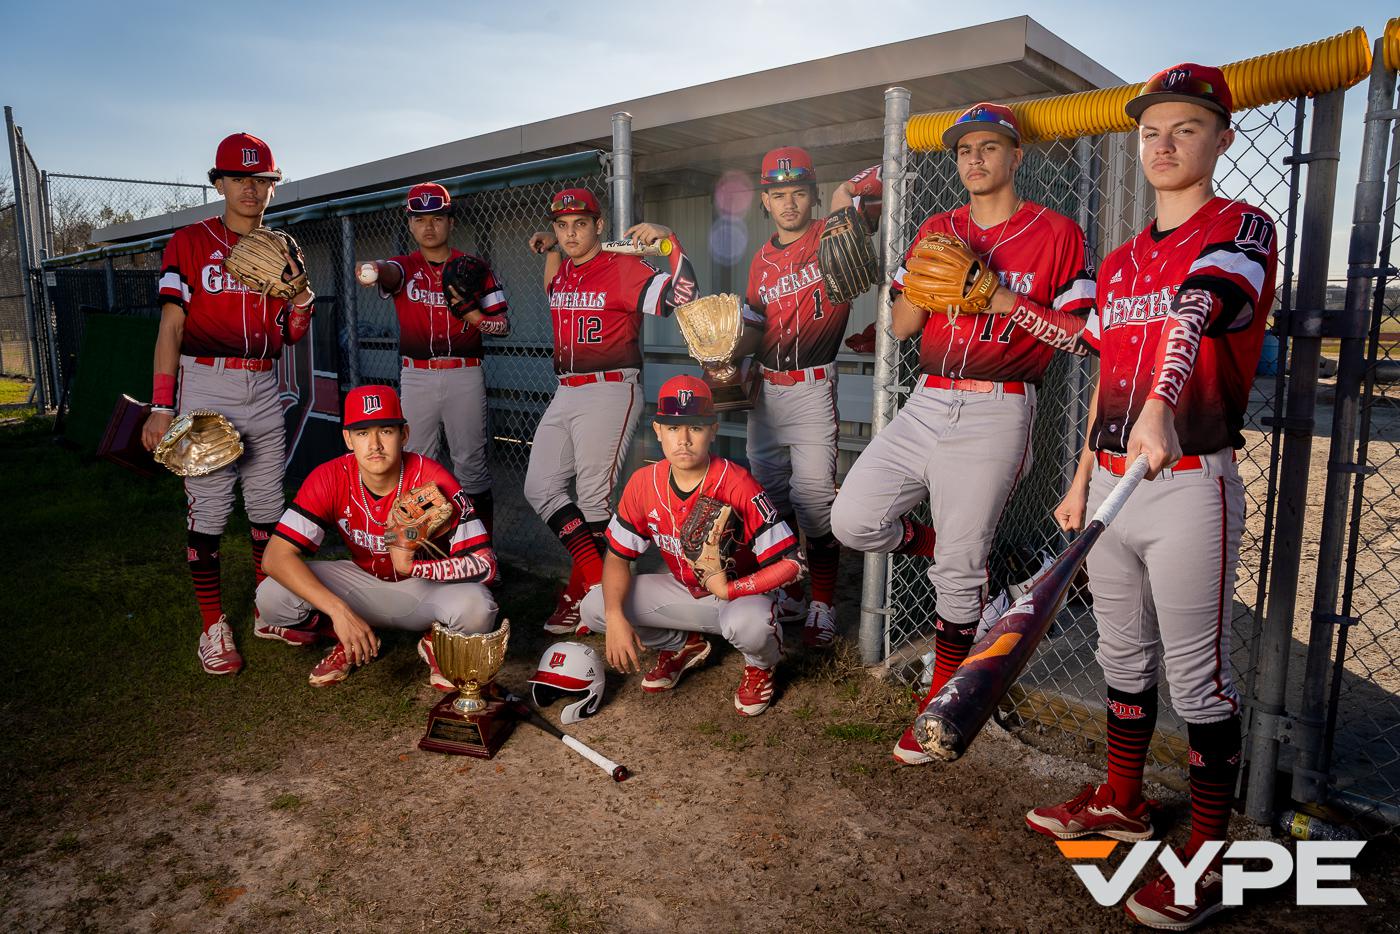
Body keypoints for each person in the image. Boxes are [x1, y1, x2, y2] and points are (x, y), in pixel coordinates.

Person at [1024, 65, 1277, 931]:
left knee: (1200, 685)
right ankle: (1125, 802)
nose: (1163, 145)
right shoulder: (1123, 257)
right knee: (1122, 663)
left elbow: (1195, 312)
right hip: (1108, 485)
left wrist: (1165, 401)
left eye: (1187, 129)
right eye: (1150, 132)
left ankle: (1207, 860)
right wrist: (1076, 475)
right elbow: (1094, 351)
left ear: (1222, 139)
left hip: (1186, 483)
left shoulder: (1241, 225)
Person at [828, 103, 1096, 764]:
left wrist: (997, 295)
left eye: (987, 148)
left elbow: (1080, 337)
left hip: (999, 408)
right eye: (963, 151)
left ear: (1015, 156)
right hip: (925, 401)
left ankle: (943, 699)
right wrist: (928, 276)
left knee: (955, 575)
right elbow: (900, 327)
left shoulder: (1056, 233)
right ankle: (966, 560)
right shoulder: (938, 228)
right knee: (853, 519)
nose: (972, 161)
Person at [140, 131, 316, 676]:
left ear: (271, 186)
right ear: (218, 182)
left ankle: (268, 608)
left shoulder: (283, 246)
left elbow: (289, 333)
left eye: (260, 178)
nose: (250, 188)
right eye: (238, 177)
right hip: (206, 381)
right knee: (211, 507)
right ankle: (213, 624)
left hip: (263, 384)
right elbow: (171, 326)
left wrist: (301, 302)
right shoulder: (188, 242)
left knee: (267, 507)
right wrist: (161, 405)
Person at [525, 188, 699, 634]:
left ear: (599, 226)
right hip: (565, 390)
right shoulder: (564, 270)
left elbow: (682, 294)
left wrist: (668, 241)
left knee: (593, 499)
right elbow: (551, 286)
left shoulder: (623, 267)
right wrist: (548, 244)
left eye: (579, 224)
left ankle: (594, 595)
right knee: (540, 486)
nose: (570, 233)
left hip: (610, 389)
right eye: (563, 225)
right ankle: (592, 582)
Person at [579, 375, 803, 716]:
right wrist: (615, 617)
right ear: (657, 430)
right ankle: (683, 645)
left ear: (713, 429)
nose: (683, 440)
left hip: (739, 597)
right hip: (685, 591)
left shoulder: (737, 482)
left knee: (752, 625)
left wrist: (732, 589)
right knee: (595, 605)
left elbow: (792, 564)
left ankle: (760, 666)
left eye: (695, 428)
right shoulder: (643, 483)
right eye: (672, 428)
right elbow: (617, 558)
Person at [256, 385, 499, 688]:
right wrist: (338, 611)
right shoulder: (329, 477)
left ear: (404, 434)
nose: (374, 445)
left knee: (478, 608)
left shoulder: (432, 478)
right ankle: (349, 636)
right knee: (271, 596)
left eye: (385, 431)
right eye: (361, 433)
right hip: (360, 581)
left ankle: (435, 639)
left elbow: (486, 565)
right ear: (347, 438)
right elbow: (274, 557)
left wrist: (414, 567)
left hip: (424, 589)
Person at [741, 146, 854, 648]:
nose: (788, 203)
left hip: (811, 387)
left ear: (811, 195)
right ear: (765, 201)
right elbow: (751, 325)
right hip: (765, 391)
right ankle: (790, 585)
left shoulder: (830, 232)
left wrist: (844, 195)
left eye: (798, 193)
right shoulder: (760, 261)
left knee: (815, 502)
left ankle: (824, 604)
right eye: (778, 194)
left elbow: (876, 179)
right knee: (772, 499)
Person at [355, 182, 509, 531]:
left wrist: (478, 321)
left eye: (437, 217)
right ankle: (424, 546)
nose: (429, 226)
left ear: (451, 222)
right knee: (416, 462)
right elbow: (387, 271)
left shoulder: (474, 267)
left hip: (464, 373)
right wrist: (375, 268)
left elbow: (503, 324)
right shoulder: (403, 266)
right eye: (420, 218)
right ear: (409, 223)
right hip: (417, 375)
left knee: (471, 464)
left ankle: (481, 549)